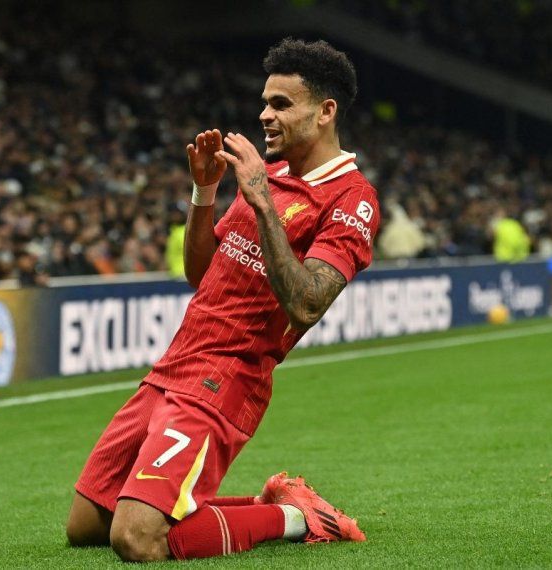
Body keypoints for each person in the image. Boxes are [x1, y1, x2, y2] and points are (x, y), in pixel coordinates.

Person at [66, 38, 380, 562]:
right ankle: (268, 502)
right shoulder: (270, 172)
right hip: (173, 365)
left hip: (225, 379)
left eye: (282, 104)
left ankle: (297, 518)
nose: (264, 115)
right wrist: (204, 193)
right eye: (264, 102)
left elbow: (307, 304)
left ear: (325, 112)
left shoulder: (351, 198)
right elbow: (199, 273)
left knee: (136, 538)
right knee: (86, 526)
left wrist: (259, 199)